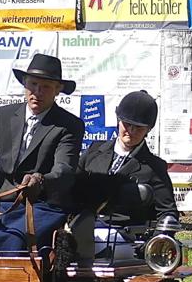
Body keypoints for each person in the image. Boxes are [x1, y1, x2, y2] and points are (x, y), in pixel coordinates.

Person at [0, 54, 84, 254]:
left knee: (13, 241)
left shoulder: (69, 125)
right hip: (1, 203)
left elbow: (64, 170)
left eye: (45, 87)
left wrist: (41, 180)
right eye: (33, 84)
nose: (37, 92)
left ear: (57, 90)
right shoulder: (3, 115)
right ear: (24, 84)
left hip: (42, 205)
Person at [74, 90, 177, 227]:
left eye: (139, 128)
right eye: (127, 124)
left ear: (148, 129)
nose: (131, 131)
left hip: (126, 238)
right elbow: (71, 186)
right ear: (119, 121)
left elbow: (167, 212)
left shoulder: (154, 167)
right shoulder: (93, 151)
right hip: (84, 228)